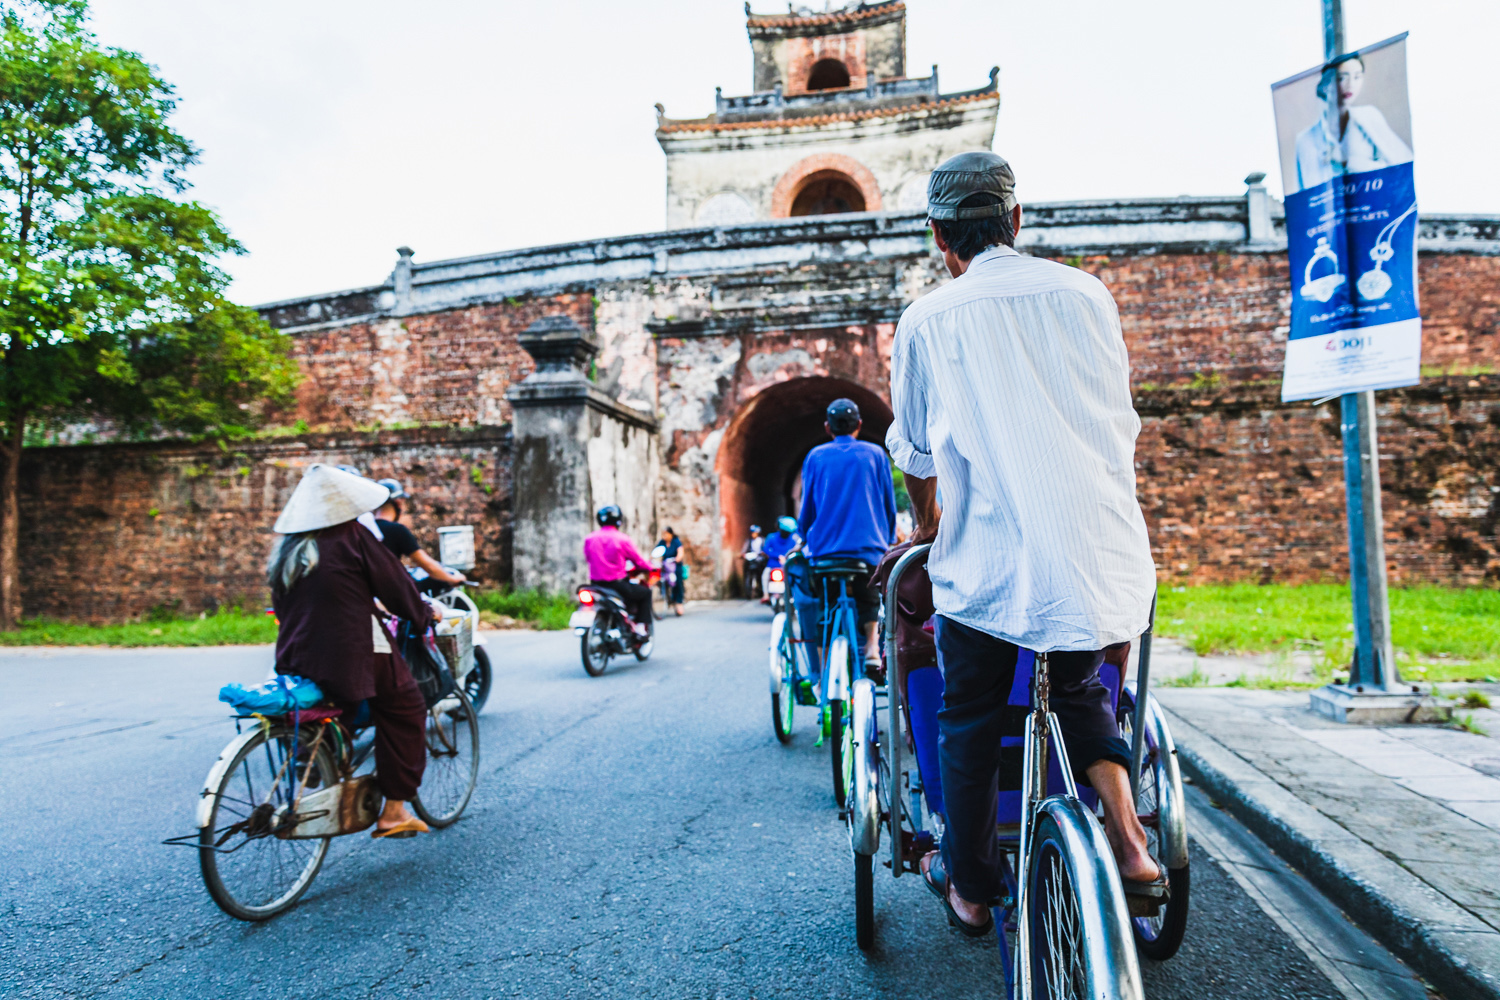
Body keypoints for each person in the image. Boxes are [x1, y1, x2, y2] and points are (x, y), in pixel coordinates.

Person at [886, 151, 1162, 935]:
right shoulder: (1087, 294)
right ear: (1016, 220)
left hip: (988, 564)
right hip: (1098, 552)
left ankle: (973, 887)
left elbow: (915, 453)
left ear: (941, 237)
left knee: (970, 713)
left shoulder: (929, 318)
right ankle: (1130, 835)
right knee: (1078, 689)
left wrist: (929, 522)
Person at [267, 464, 442, 839]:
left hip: (295, 653)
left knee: (339, 704)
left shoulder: (289, 545)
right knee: (405, 707)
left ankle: (321, 758)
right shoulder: (353, 535)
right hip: (350, 648)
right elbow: (397, 588)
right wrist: (424, 614)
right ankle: (394, 812)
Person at [796, 399, 897, 670]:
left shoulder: (815, 456)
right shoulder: (875, 454)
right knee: (871, 598)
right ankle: (873, 648)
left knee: (825, 608)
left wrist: (803, 534)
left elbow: (808, 507)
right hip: (868, 549)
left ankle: (825, 666)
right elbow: (888, 504)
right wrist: (887, 538)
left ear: (828, 427)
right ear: (859, 425)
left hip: (825, 551)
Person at [1293, 54, 1412, 193]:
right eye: (1342, 78)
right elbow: (1304, 194)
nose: (1351, 85)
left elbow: (1401, 166)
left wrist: (1349, 162)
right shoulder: (1305, 140)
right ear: (1326, 84)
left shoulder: (1368, 117)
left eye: (1357, 77)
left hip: (1371, 208)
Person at [373, 479, 467, 588]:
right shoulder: (397, 530)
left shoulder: (363, 529)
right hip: (392, 591)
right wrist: (452, 578)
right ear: (399, 502)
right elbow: (427, 565)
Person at [584, 505, 654, 631]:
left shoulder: (589, 538)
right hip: (616, 585)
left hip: (596, 584)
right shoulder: (622, 539)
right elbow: (638, 561)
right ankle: (640, 628)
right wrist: (650, 567)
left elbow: (589, 559)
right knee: (645, 593)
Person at [758, 515, 801, 603]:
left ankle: (795, 595)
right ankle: (766, 595)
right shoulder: (771, 537)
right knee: (765, 576)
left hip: (789, 566)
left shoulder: (794, 539)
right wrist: (778, 556)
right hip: (773, 565)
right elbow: (766, 550)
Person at [657, 526, 687, 616]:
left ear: (671, 534)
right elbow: (656, 551)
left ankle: (679, 603)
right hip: (665, 566)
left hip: (675, 565)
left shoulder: (676, 541)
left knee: (678, 582)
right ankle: (666, 597)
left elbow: (680, 552)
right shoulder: (662, 543)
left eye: (666, 534)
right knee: (659, 580)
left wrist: (677, 559)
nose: (664, 536)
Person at [740, 524, 766, 599]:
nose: (753, 534)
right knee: (748, 574)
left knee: (761, 575)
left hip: (760, 560)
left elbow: (765, 550)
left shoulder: (762, 540)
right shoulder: (748, 541)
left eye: (755, 533)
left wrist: (763, 553)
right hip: (751, 560)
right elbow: (744, 549)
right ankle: (748, 592)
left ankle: (762, 591)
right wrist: (743, 554)